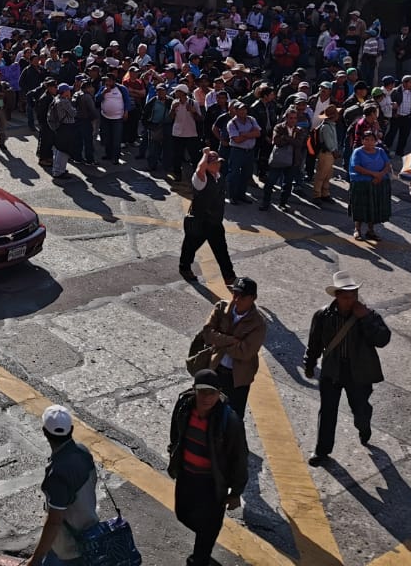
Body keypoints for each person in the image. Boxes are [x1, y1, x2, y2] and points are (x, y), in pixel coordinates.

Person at [304, 270, 392, 466]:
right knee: (327, 411)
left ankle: (364, 426)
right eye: (346, 297)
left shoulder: (368, 315)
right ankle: (322, 451)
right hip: (332, 371)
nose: (350, 301)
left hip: (359, 373)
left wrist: (365, 318)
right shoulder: (323, 315)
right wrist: (309, 364)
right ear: (337, 296)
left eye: (353, 296)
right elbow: (314, 343)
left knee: (360, 409)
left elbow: (383, 339)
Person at [167, 369, 249, 566]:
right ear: (194, 390)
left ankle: (200, 559)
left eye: (211, 393)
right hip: (187, 475)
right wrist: (174, 454)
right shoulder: (184, 406)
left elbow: (239, 459)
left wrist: (236, 493)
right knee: (183, 515)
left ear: (219, 393)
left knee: (208, 528)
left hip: (212, 483)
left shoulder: (230, 421)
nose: (206, 397)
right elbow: (176, 432)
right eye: (202, 392)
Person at [22, 404, 100, 566]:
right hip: (90, 530)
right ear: (71, 430)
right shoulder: (83, 453)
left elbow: (54, 521)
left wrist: (35, 559)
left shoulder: (57, 474)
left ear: (44, 432)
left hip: (70, 547)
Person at [200, 277, 266, 420]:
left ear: (253, 298)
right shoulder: (221, 308)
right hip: (216, 369)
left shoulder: (258, 323)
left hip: (238, 379)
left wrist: (220, 341)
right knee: (208, 411)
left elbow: (245, 352)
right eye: (235, 294)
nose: (236, 299)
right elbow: (207, 333)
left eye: (242, 297)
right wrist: (232, 341)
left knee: (233, 417)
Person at [178, 149, 236, 284]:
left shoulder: (219, 176)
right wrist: (205, 154)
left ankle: (230, 277)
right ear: (207, 164)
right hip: (200, 222)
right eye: (214, 163)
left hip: (214, 222)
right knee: (190, 246)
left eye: (218, 162)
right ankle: (184, 268)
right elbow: (200, 169)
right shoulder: (200, 179)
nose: (218, 165)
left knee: (221, 250)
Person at [348, 131, 392, 241]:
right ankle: (357, 230)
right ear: (362, 141)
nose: (369, 142)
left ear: (375, 141)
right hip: (362, 184)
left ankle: (370, 231)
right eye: (366, 139)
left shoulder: (380, 151)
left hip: (379, 183)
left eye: (372, 140)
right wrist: (374, 174)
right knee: (360, 207)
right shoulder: (358, 152)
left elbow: (387, 165)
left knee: (374, 207)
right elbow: (356, 167)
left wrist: (380, 175)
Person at [311, 104, 341, 205]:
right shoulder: (326, 127)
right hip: (326, 153)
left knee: (328, 175)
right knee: (321, 175)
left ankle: (325, 193)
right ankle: (317, 195)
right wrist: (334, 151)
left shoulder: (331, 125)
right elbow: (328, 142)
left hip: (330, 154)